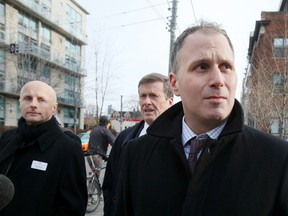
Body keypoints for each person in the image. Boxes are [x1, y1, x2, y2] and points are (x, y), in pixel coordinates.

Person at [115, 21, 288, 216]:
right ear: (175, 83)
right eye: (202, 67)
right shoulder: (136, 154)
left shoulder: (277, 159)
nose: (218, 80)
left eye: (225, 67)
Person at [0, 80, 87, 216]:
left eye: (41, 100)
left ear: (54, 108)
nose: (33, 104)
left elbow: (73, 208)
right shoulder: (6, 138)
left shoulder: (68, 148)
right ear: (20, 103)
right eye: (28, 98)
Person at [102, 73, 174, 216]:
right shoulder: (124, 138)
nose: (146, 102)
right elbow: (110, 183)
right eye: (143, 96)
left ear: (170, 102)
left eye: (154, 96)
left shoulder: (181, 140)